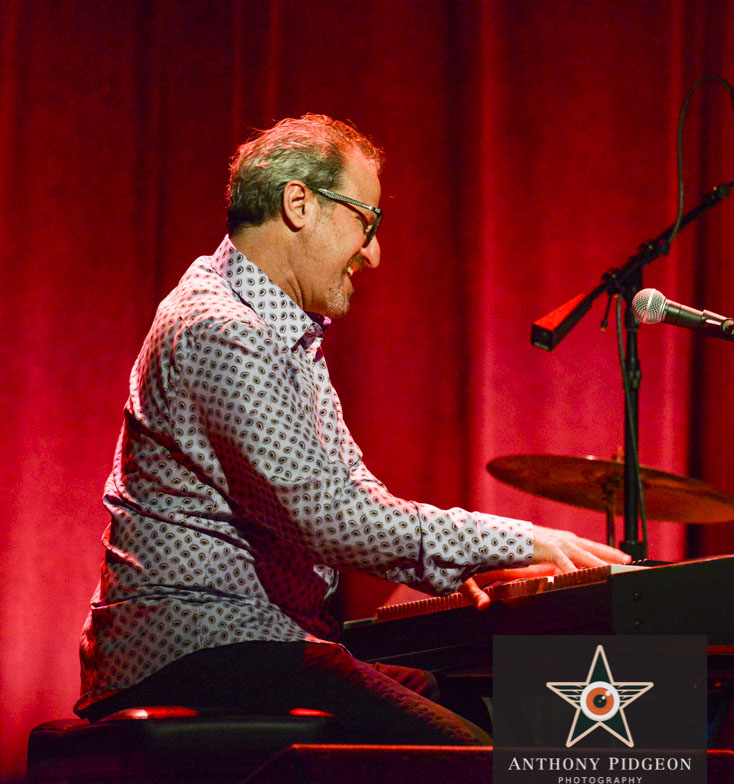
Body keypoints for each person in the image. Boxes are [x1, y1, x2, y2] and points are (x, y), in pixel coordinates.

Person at [77, 114, 628, 745]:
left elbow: (357, 493)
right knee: (479, 754)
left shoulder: (287, 333)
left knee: (496, 708)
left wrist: (464, 569)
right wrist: (518, 541)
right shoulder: (221, 328)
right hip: (191, 643)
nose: (373, 252)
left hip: (267, 641)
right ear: (299, 204)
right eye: (367, 221)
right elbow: (327, 516)